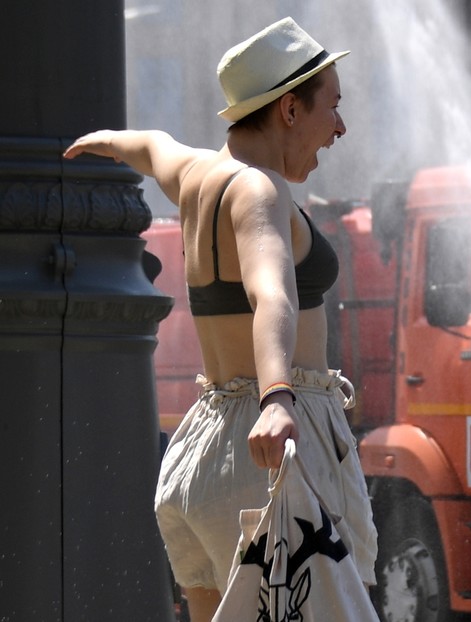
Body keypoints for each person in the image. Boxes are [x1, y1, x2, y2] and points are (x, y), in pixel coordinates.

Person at [64, 18, 377, 622]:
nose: (340, 127)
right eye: (331, 107)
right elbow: (272, 297)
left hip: (203, 451)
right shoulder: (259, 191)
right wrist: (278, 396)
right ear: (289, 109)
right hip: (276, 442)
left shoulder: (197, 177)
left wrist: (105, 138)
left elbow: (153, 146)